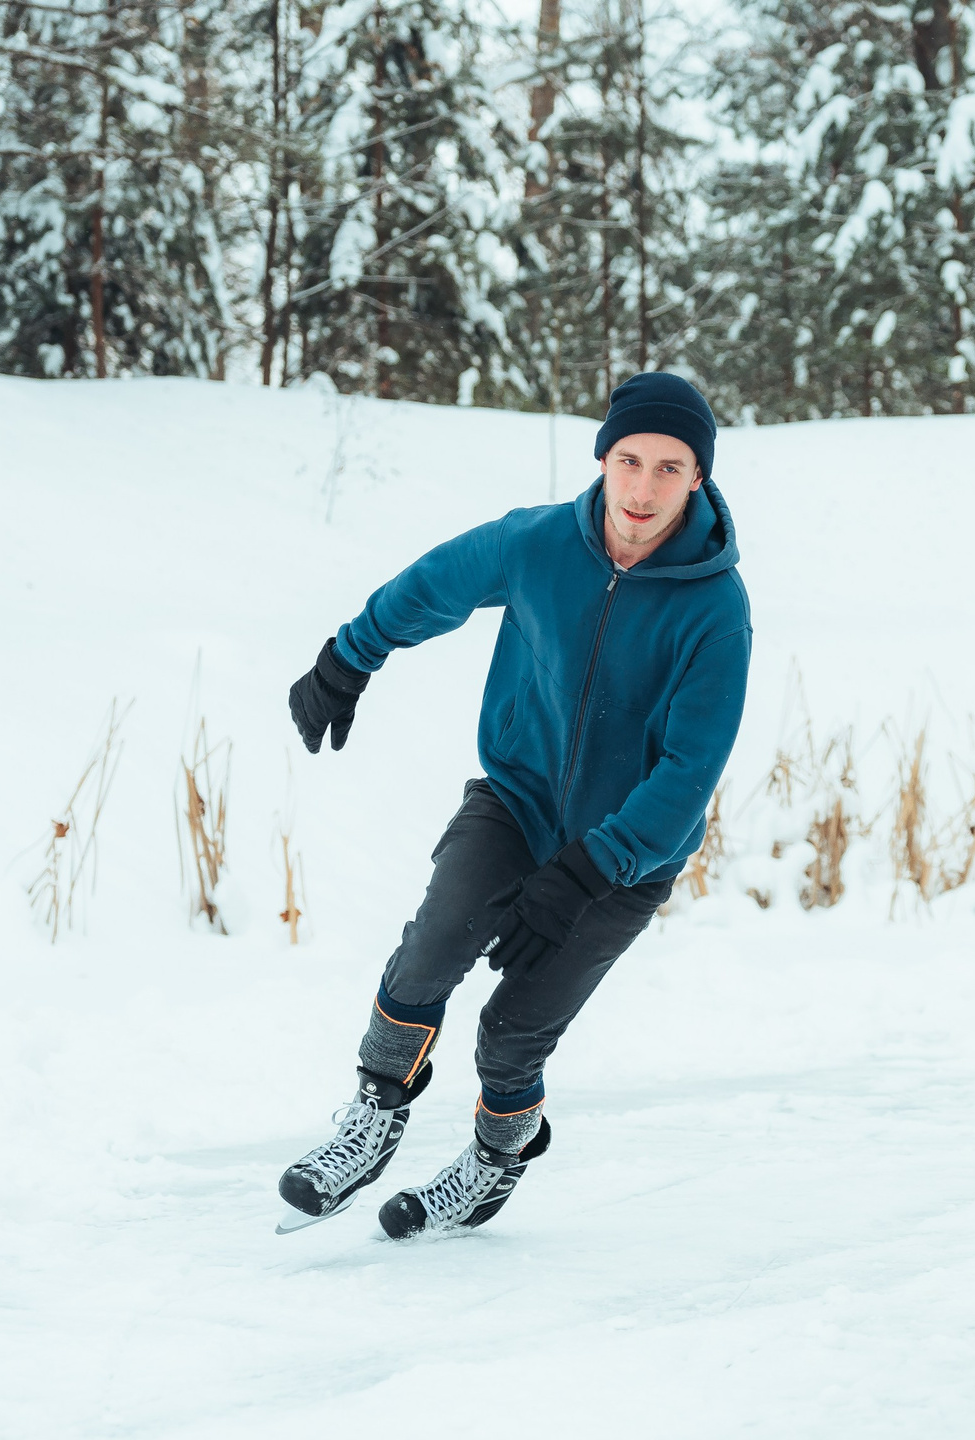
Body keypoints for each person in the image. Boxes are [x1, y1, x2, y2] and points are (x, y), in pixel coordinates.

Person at [276, 373, 753, 1239]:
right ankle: (375, 1113)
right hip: (517, 803)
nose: (643, 490)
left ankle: (496, 1161)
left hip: (623, 861)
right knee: (430, 949)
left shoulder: (717, 611)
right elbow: (435, 585)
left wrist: (591, 870)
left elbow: (689, 773)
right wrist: (350, 657)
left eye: (670, 469)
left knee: (512, 1033)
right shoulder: (538, 543)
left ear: (698, 480)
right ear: (604, 458)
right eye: (630, 460)